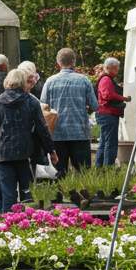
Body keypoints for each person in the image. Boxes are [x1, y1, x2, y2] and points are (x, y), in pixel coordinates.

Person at [0, 67, 57, 213]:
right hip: (24, 152)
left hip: (3, 154)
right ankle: (25, 225)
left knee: (8, 195)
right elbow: (42, 129)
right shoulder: (30, 102)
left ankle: (8, 225)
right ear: (22, 82)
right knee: (27, 195)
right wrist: (50, 150)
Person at [40, 48, 98, 176]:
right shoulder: (84, 81)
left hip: (57, 134)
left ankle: (60, 195)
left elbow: (43, 107)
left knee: (59, 174)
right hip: (80, 133)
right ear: (74, 63)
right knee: (83, 174)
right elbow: (95, 106)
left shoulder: (50, 81)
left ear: (58, 64)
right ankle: (82, 195)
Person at [95, 58, 131, 167]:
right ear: (113, 67)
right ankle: (108, 167)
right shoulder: (106, 79)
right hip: (108, 114)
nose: (118, 69)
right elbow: (107, 95)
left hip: (105, 113)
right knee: (110, 143)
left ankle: (99, 167)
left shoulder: (104, 79)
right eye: (117, 67)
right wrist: (123, 98)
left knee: (104, 142)